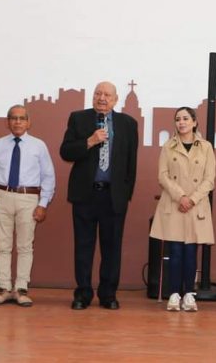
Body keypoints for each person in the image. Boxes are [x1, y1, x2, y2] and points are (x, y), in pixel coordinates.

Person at [60, 81, 138, 310]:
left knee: (112, 249)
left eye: (107, 95)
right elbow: (66, 151)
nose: (101, 98)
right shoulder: (78, 118)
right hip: (85, 195)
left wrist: (126, 195)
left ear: (115, 100)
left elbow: (131, 163)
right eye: (98, 93)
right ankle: (83, 294)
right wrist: (90, 141)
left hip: (113, 197)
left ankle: (108, 294)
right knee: (83, 247)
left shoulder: (128, 124)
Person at [0, 105, 56, 307]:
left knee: (24, 246)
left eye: (22, 118)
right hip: (1, 196)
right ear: (7, 122)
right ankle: (3, 288)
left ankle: (21, 289)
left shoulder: (39, 146)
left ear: (29, 122)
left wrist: (43, 204)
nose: (18, 122)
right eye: (13, 118)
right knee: (2, 245)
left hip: (28, 199)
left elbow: (48, 177)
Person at [150, 107, 216, 312]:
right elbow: (163, 176)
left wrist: (192, 199)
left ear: (195, 122)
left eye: (186, 118)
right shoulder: (168, 146)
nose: (181, 122)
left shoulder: (205, 147)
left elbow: (209, 179)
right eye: (178, 119)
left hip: (195, 207)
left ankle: (189, 294)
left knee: (190, 253)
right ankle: (174, 294)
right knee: (175, 252)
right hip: (174, 204)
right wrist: (181, 196)